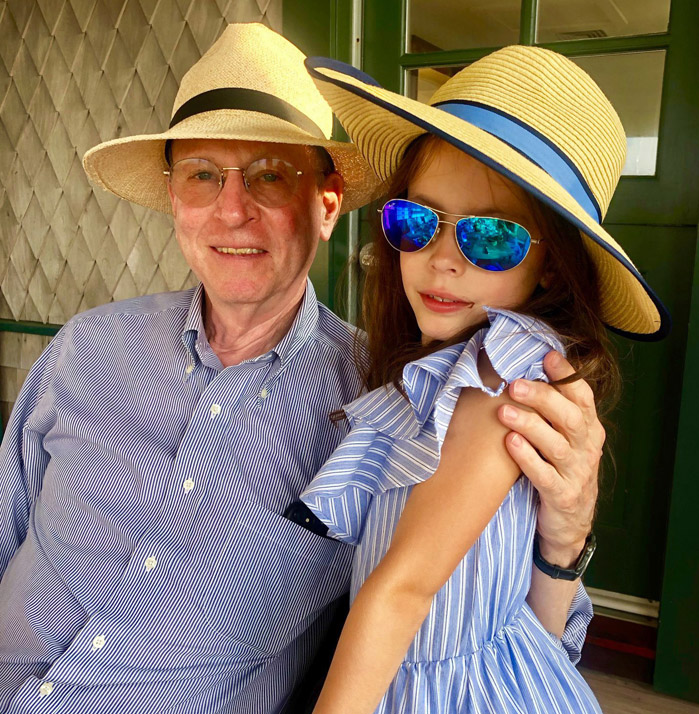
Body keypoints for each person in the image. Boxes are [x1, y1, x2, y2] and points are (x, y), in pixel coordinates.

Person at [0, 24, 621, 713]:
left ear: (327, 206)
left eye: (270, 175)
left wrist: (565, 537)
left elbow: (508, 630)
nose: (232, 211)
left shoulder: (387, 400)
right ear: (174, 199)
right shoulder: (86, 348)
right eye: (202, 175)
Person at [298, 46, 670, 713]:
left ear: (550, 266)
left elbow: (403, 589)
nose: (442, 259)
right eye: (416, 221)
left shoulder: (504, 364)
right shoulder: (435, 364)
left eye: (491, 238)